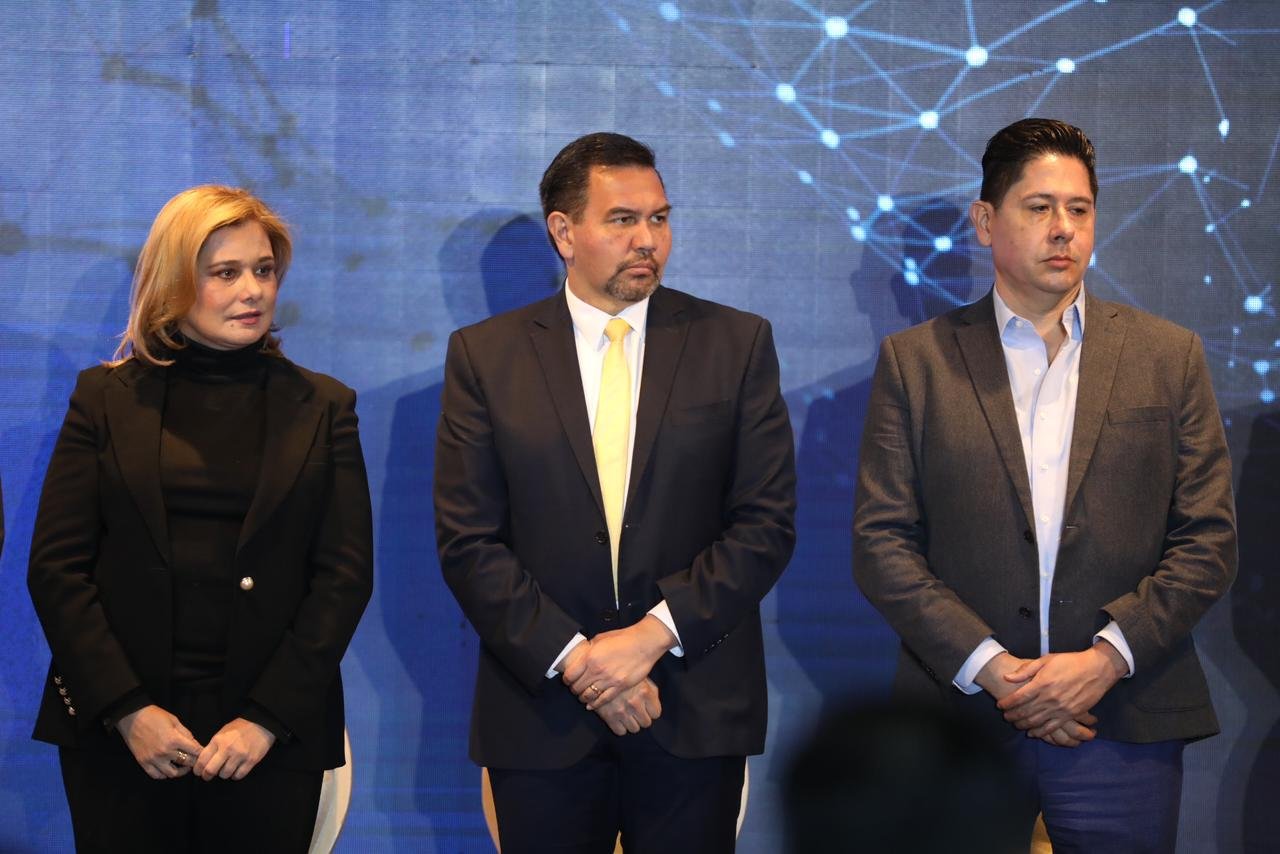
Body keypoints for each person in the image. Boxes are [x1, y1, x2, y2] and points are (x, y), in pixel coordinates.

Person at [852, 118, 1236, 852]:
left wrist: (1104, 660)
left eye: (1079, 209)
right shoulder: (917, 362)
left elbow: (1208, 539)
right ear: (985, 221)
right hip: (962, 719)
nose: (1063, 229)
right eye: (1039, 207)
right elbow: (882, 544)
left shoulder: (1168, 356)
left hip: (1123, 718)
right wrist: (997, 672)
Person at [434, 132, 796, 853]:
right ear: (564, 233)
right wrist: (581, 661)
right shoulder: (486, 355)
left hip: (692, 706)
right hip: (543, 712)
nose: (647, 240)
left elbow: (765, 523)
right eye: (622, 220)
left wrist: (651, 636)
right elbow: (469, 541)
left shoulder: (735, 343)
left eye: (659, 218)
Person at [27, 185, 374, 853]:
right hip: (123, 737)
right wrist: (127, 711)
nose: (253, 290)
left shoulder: (325, 407)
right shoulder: (103, 399)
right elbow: (57, 569)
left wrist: (265, 720)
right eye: (226, 273)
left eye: (264, 270)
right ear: (174, 283)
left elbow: (344, 578)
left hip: (267, 740)